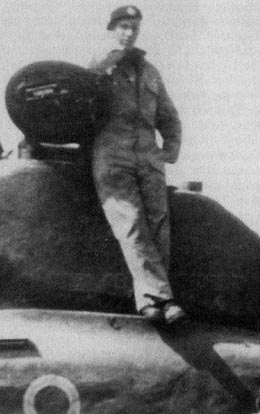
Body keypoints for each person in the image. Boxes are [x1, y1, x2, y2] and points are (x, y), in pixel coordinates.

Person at [89, 6, 185, 326]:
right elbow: (79, 101)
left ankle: (153, 299)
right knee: (131, 223)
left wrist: (169, 149)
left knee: (159, 225)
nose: (129, 33)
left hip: (148, 157)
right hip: (112, 154)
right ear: (112, 29)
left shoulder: (151, 72)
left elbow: (168, 115)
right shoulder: (99, 66)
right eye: (123, 27)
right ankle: (162, 298)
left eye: (134, 27)